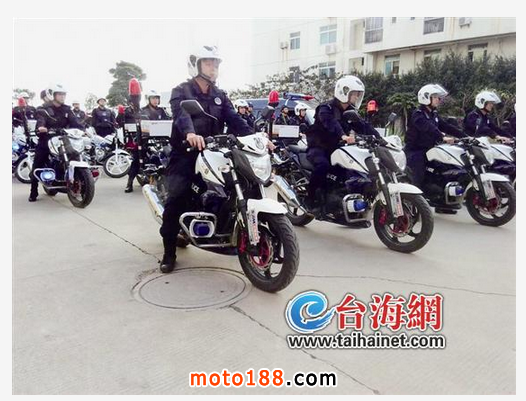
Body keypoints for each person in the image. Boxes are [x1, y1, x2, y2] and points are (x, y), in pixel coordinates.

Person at [159, 45, 253, 273]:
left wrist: (256, 137)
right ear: (196, 65)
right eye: (209, 63)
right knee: (177, 196)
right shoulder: (181, 91)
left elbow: (234, 119)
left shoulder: (219, 95)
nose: (213, 68)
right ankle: (169, 251)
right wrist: (190, 134)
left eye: (216, 64)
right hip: (186, 151)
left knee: (241, 182)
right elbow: (182, 115)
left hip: (214, 151)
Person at [305, 75, 380, 212]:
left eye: (358, 94)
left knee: (353, 170)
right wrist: (343, 135)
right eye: (355, 94)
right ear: (344, 92)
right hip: (319, 147)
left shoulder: (350, 111)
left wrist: (380, 139)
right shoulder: (325, 108)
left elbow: (363, 125)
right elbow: (331, 123)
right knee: (322, 165)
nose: (357, 97)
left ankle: (342, 201)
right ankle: (310, 198)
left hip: (338, 148)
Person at [404, 84, 466, 189]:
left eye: (439, 97)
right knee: (418, 178)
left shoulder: (434, 114)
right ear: (426, 97)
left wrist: (465, 136)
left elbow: (446, 126)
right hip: (415, 152)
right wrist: (442, 137)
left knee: (446, 169)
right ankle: (417, 197)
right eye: (436, 97)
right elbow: (428, 128)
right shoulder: (418, 114)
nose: (439, 100)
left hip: (430, 150)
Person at [29, 84, 84, 202]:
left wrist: (83, 129)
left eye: (64, 94)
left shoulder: (67, 109)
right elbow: (40, 121)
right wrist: (41, 127)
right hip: (47, 138)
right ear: (52, 95)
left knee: (76, 154)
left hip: (64, 138)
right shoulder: (43, 109)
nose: (62, 96)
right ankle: (33, 191)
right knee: (38, 162)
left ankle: (81, 182)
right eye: (59, 94)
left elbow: (75, 122)